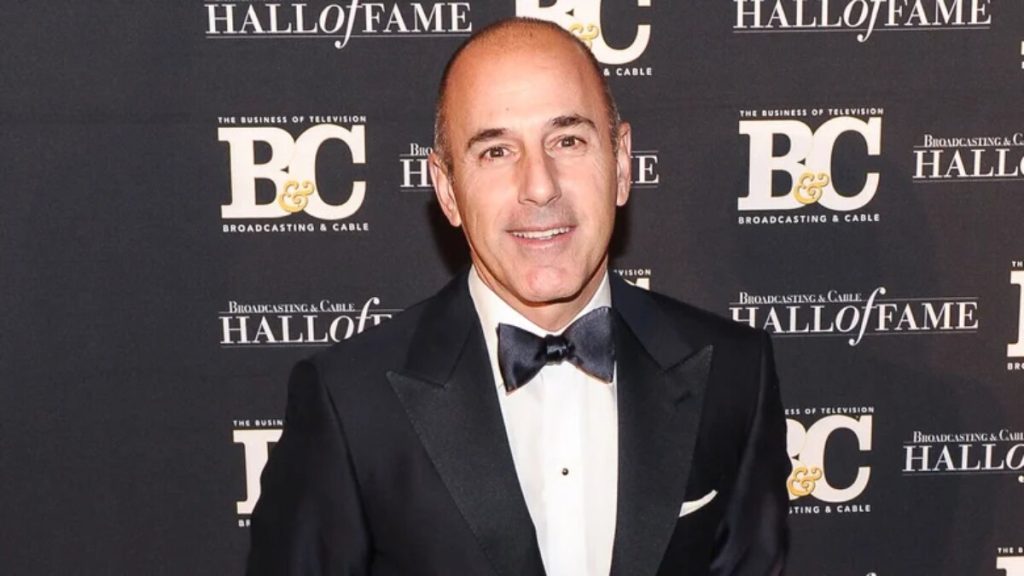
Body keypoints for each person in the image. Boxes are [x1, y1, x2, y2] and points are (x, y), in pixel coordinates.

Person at [247, 17, 789, 576]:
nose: (540, 186)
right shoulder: (349, 403)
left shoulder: (734, 374)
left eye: (568, 141)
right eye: (496, 152)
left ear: (622, 163)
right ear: (447, 190)